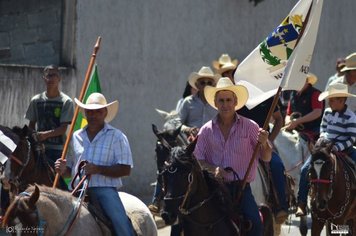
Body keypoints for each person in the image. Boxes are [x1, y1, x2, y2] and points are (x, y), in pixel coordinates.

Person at [194, 77, 272, 236]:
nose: (225, 104)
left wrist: (265, 143)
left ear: (235, 102)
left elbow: (266, 157)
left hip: (241, 189)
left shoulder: (250, 127)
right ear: (215, 103)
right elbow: (197, 160)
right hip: (213, 190)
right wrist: (213, 168)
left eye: (229, 100)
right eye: (221, 100)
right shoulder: (206, 131)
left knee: (255, 223)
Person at [55, 92, 135, 236]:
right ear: (85, 113)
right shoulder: (75, 136)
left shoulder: (117, 136)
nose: (93, 115)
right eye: (90, 112)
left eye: (98, 111)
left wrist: (98, 169)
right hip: (76, 191)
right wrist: (62, 170)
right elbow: (71, 169)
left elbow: (125, 169)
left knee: (120, 223)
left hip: (104, 190)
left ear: (105, 113)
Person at [296, 83, 356, 217]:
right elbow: (323, 129)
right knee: (305, 169)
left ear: (342, 100)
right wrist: (322, 140)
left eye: (332, 100)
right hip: (325, 147)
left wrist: (336, 147)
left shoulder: (351, 116)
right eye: (329, 99)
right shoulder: (327, 112)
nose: (329, 102)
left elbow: (351, 138)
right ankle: (301, 203)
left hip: (344, 149)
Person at [25, 65, 74, 167]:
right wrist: (33, 138)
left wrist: (44, 135)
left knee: (56, 180)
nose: (51, 78)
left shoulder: (66, 101)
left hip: (58, 150)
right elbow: (31, 125)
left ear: (59, 78)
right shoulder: (36, 100)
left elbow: (62, 129)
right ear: (44, 78)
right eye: (48, 75)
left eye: (54, 75)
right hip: (39, 149)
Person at [178, 66, 220, 135]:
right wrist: (188, 129)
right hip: (191, 142)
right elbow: (178, 123)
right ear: (197, 85)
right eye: (202, 83)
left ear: (214, 85)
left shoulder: (218, 103)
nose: (206, 85)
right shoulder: (188, 101)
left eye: (209, 83)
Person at [285, 73, 324, 143]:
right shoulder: (292, 93)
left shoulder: (315, 93)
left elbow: (317, 112)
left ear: (306, 81)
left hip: (313, 129)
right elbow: (288, 113)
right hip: (296, 129)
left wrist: (297, 121)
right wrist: (288, 122)